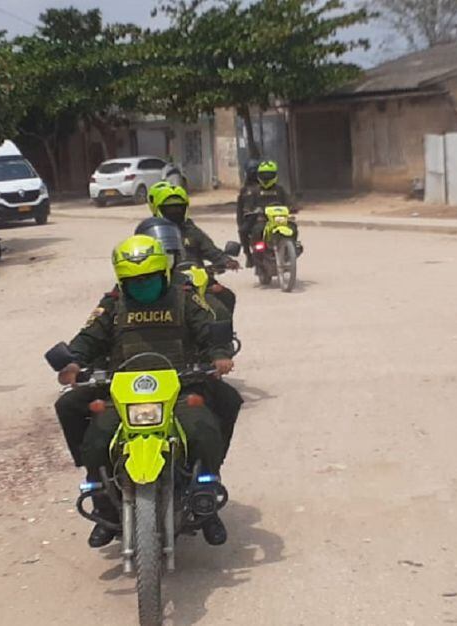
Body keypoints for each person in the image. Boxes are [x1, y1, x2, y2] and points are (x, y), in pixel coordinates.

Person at [57, 235, 236, 549]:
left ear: (164, 273)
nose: (142, 286)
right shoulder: (113, 304)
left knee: (206, 423)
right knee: (92, 430)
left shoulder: (184, 297)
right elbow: (88, 337)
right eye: (134, 281)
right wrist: (72, 362)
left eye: (149, 279)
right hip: (123, 390)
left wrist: (219, 354)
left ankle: (206, 496)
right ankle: (102, 501)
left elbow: (208, 329)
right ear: (121, 280)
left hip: (180, 385)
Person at [148, 183, 240, 313]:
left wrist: (226, 261)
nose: (175, 212)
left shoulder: (191, 230)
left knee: (226, 296)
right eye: (169, 209)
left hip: (198, 279)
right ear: (158, 208)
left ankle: (220, 326)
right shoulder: (150, 232)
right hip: (166, 282)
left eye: (179, 208)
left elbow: (210, 249)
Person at [236, 160, 293, 267]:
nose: (266, 178)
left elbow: (289, 202)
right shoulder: (253, 191)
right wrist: (250, 211)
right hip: (261, 219)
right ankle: (251, 255)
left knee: (292, 227)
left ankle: (291, 248)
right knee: (254, 231)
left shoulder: (280, 190)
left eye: (269, 175)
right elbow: (248, 206)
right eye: (263, 175)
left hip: (278, 219)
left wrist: (293, 207)